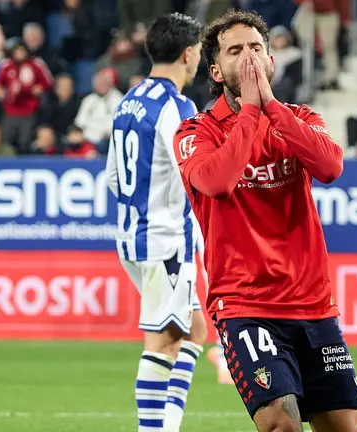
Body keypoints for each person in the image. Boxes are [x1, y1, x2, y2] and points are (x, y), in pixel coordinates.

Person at [174, 10, 357, 432]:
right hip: (246, 305)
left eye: (256, 48)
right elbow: (218, 182)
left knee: (344, 428)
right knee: (281, 424)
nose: (249, 58)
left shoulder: (301, 119)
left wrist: (272, 109)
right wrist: (251, 115)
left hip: (313, 304)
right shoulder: (196, 132)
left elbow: (331, 167)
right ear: (216, 70)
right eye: (235, 51)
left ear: (271, 60)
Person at [105, 14, 206, 432]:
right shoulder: (177, 106)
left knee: (196, 330)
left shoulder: (128, 101)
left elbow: (113, 177)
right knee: (163, 344)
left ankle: (167, 425)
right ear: (188, 53)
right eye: (199, 51)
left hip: (132, 236)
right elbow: (193, 171)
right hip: (164, 241)